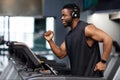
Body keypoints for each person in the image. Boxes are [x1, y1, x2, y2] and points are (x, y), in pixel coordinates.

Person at [44, 3, 112, 77]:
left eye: (64, 15)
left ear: (74, 15)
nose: (62, 18)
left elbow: (107, 39)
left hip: (91, 77)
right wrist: (50, 40)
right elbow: (60, 54)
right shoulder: (69, 35)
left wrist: (103, 62)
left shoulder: (87, 29)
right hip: (78, 77)